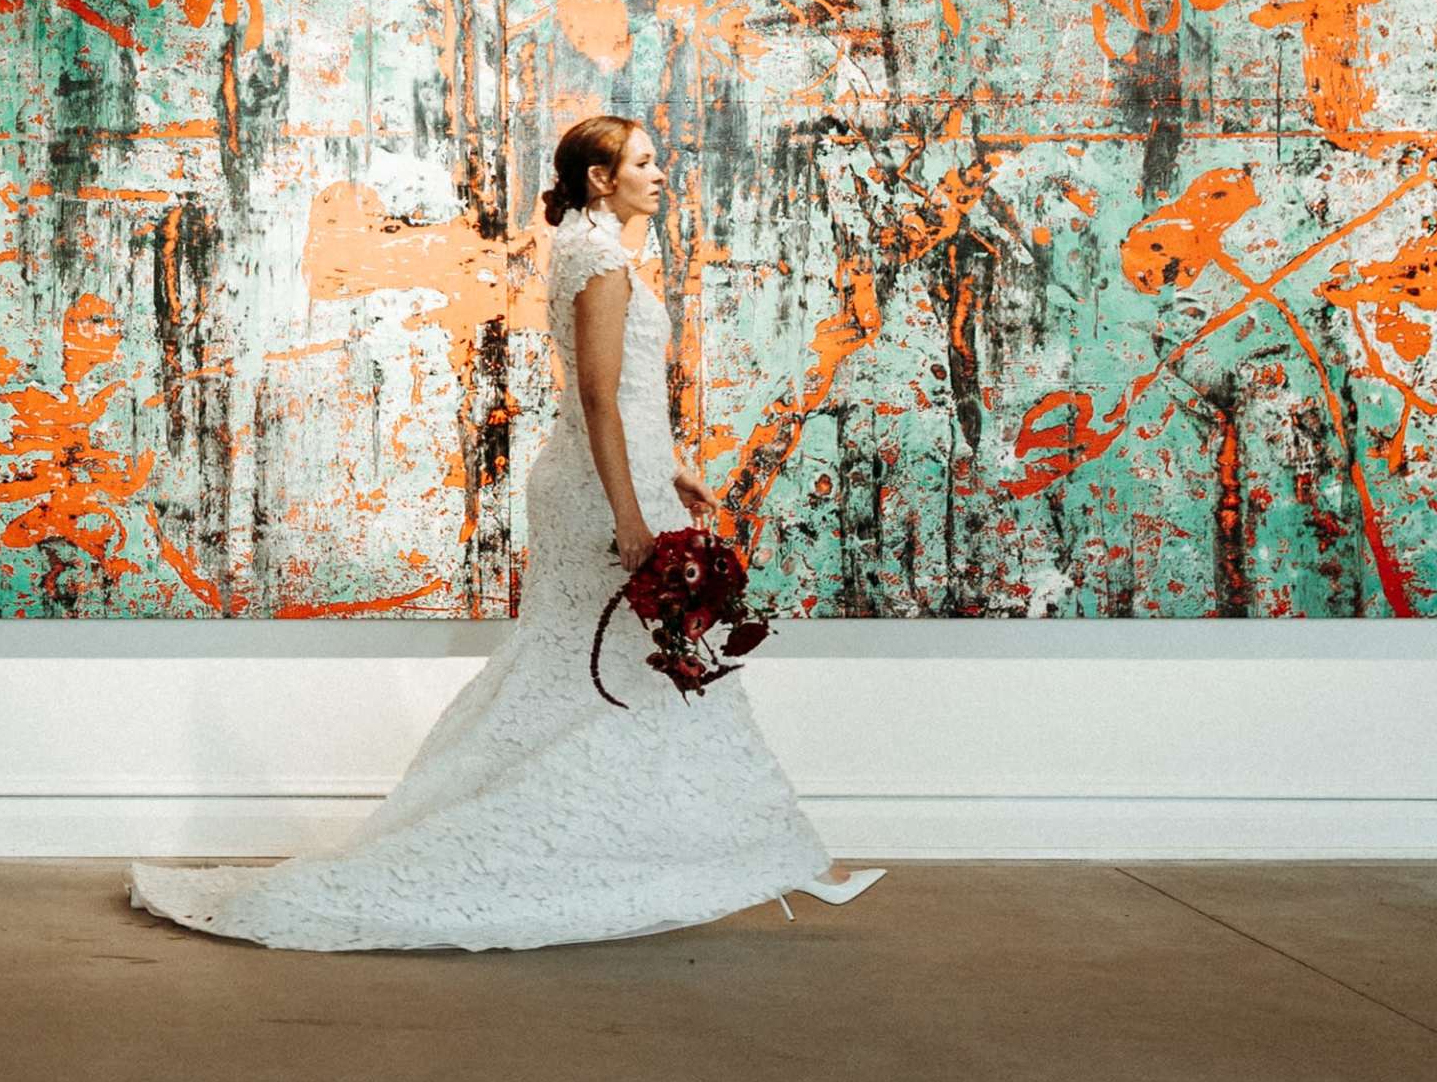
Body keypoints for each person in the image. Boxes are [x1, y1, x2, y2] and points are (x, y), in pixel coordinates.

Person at [128, 112, 882, 951]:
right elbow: (596, 396)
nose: (659, 172)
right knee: (634, 667)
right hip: (604, 496)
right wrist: (632, 517)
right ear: (601, 179)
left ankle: (717, 845)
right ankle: (715, 848)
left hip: (621, 477)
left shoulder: (592, 250)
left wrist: (670, 467)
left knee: (623, 670)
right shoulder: (599, 261)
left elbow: (619, 393)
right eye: (642, 161)